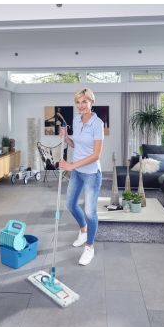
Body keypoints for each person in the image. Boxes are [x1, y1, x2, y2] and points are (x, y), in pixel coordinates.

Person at [59, 88, 104, 266]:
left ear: (91, 102)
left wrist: (71, 166)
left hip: (92, 173)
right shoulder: (76, 120)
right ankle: (83, 230)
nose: (80, 105)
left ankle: (89, 247)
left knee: (90, 212)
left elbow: (96, 155)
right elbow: (75, 145)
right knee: (70, 205)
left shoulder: (97, 123)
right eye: (77, 102)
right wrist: (66, 137)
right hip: (77, 172)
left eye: (84, 101)